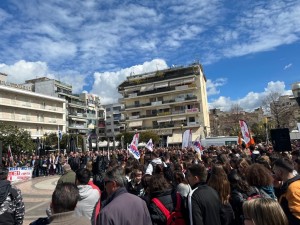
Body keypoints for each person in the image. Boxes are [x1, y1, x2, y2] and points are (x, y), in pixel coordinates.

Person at [273, 158, 300, 225]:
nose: (273, 174)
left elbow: (297, 217)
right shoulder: (293, 183)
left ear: (279, 171)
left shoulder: (293, 188)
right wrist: (278, 188)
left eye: (274, 171)